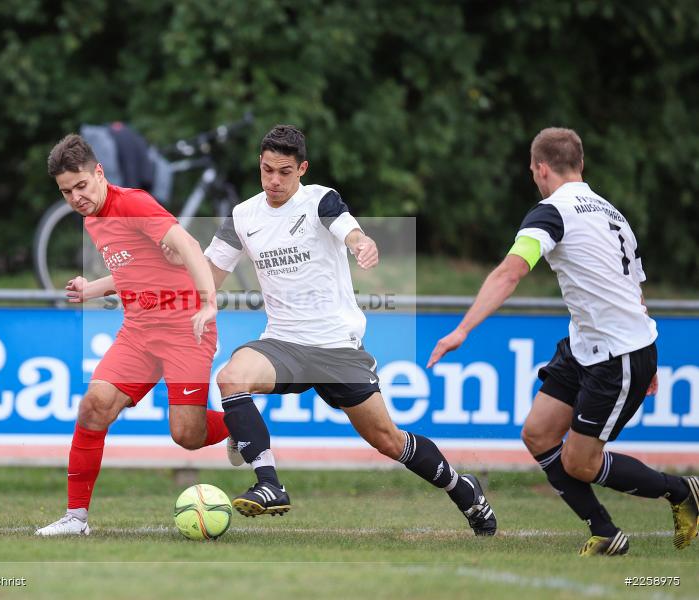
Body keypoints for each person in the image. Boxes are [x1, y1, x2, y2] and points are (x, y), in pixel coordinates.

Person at [175, 124, 496, 534]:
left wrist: (362, 242)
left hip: (336, 347)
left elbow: (346, 227)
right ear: (259, 164)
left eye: (285, 172)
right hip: (284, 342)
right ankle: (270, 484)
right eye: (267, 169)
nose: (274, 180)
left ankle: (462, 488)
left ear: (302, 168)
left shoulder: (320, 200)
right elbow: (209, 274)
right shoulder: (242, 216)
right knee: (232, 377)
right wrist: (196, 301)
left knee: (388, 440)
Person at [427, 127, 698, 555]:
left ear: (540, 168)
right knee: (537, 433)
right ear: (581, 165)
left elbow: (510, 272)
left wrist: (462, 329)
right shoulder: (613, 213)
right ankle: (606, 533)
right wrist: (652, 354)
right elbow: (635, 291)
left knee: (581, 463)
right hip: (590, 345)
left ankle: (682, 491)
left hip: (618, 354)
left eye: (533, 171)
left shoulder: (551, 212)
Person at [35, 134, 228, 536]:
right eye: (66, 191)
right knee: (93, 407)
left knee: (187, 435)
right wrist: (93, 288)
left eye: (81, 186)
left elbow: (188, 245)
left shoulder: (134, 203)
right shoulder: (92, 219)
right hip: (139, 331)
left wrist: (209, 302)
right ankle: (76, 519)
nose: (75, 197)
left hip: (184, 327)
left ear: (99, 173)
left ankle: (241, 425)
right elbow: (133, 270)